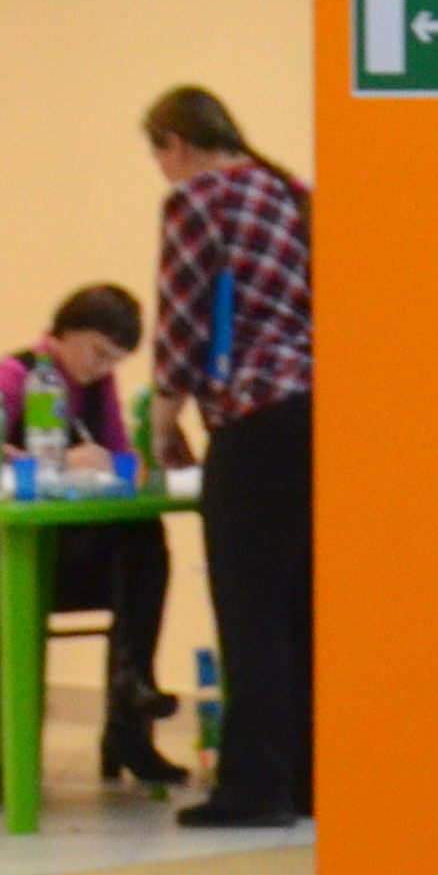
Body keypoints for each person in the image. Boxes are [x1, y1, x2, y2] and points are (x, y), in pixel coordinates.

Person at [0, 285, 186, 791]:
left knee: (143, 536)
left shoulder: (98, 387)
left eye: (114, 360)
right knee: (136, 552)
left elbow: (118, 451)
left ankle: (131, 699)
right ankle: (130, 698)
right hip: (4, 547)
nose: (102, 367)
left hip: (67, 544)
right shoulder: (17, 373)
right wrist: (58, 461)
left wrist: (127, 462)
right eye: (97, 352)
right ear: (67, 333)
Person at [146, 86, 314, 828]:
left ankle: (253, 787)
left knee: (250, 611)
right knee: (301, 607)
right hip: (320, 410)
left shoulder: (199, 200)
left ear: (176, 144)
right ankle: (310, 777)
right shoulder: (290, 191)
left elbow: (182, 317)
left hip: (254, 416)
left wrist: (162, 418)